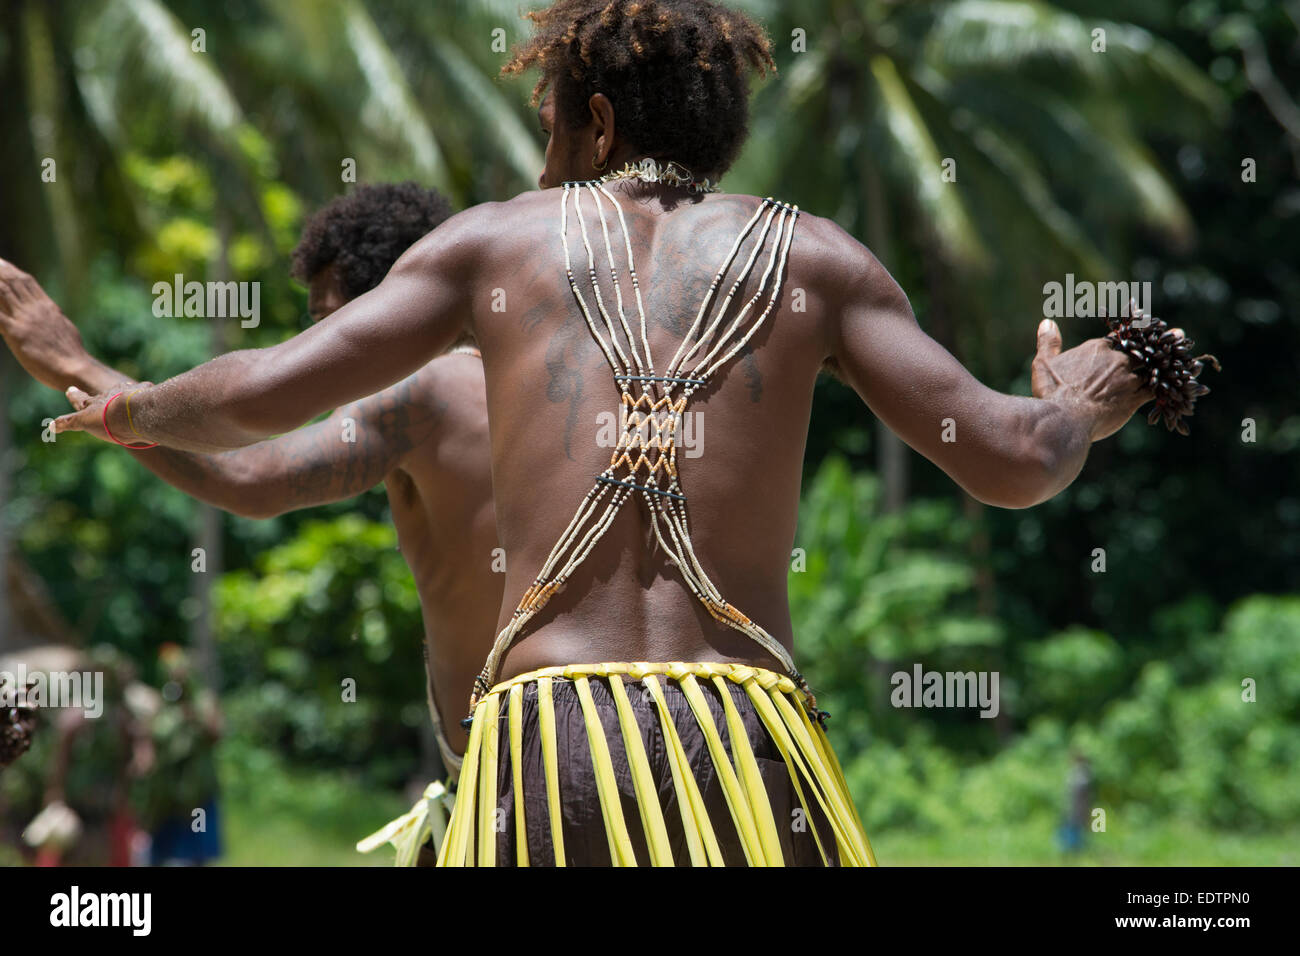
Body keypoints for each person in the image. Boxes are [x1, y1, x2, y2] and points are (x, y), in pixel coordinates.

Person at [49, 0, 1161, 867]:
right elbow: (1017, 458)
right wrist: (1082, 393)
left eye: (548, 124)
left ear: (597, 120)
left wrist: (123, 401)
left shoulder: (492, 246)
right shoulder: (816, 260)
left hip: (547, 745)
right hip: (741, 745)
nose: (541, 160)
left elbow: (263, 395)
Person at [0, 183, 501, 865]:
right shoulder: (543, 383)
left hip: (514, 794)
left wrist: (78, 369)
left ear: (392, 307)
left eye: (328, 322)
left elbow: (244, 473)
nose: (314, 349)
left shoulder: (429, 391)